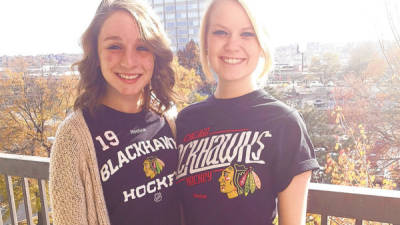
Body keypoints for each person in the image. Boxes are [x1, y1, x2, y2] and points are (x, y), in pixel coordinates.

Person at [175, 0, 319, 224]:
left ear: (262, 43)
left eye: (247, 34)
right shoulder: (186, 120)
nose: (232, 44)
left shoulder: (284, 124)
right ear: (205, 42)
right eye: (221, 32)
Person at [49, 0, 180, 224]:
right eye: (114, 46)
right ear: (96, 56)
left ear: (155, 56)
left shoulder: (169, 118)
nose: (129, 61)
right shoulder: (73, 137)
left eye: (142, 47)